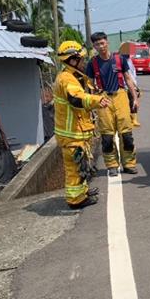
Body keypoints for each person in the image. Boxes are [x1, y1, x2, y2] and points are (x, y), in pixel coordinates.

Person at [53, 41, 110, 209]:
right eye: (81, 59)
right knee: (74, 169)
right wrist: (97, 100)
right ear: (72, 60)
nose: (83, 62)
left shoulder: (75, 76)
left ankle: (82, 192)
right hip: (71, 136)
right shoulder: (66, 79)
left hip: (76, 133)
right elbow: (76, 99)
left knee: (81, 166)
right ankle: (75, 200)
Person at [85, 31, 140, 176]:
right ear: (94, 46)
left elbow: (128, 79)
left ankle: (129, 164)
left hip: (120, 96)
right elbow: (89, 85)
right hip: (103, 99)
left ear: (107, 42)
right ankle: (112, 165)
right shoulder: (92, 63)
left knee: (126, 134)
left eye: (102, 43)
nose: (101, 46)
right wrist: (91, 105)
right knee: (107, 137)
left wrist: (135, 98)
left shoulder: (119, 59)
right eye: (97, 44)